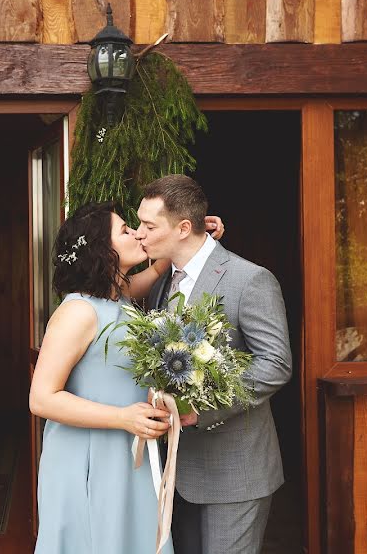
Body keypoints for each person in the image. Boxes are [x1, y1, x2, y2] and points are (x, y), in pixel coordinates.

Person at [29, 201, 223, 553]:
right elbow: (41, 398)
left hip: (126, 450)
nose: (136, 234)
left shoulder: (119, 297)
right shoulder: (77, 311)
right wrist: (122, 417)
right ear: (102, 249)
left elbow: (156, 270)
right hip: (89, 456)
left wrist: (192, 235)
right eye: (125, 230)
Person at [136, 174, 292, 554]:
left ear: (184, 228)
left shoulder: (250, 279)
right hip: (176, 471)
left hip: (235, 469)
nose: (140, 233)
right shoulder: (159, 281)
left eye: (149, 225)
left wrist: (202, 410)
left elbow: (275, 364)